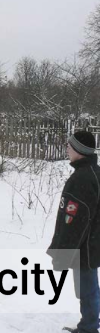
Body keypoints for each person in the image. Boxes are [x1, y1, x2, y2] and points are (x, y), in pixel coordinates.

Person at [48, 131, 100, 333]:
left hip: (84, 245)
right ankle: (91, 321)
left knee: (86, 289)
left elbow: (75, 221)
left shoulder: (83, 179)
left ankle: (88, 328)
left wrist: (63, 253)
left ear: (80, 150)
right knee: (89, 287)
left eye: (70, 145)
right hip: (91, 242)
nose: (67, 148)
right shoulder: (92, 172)